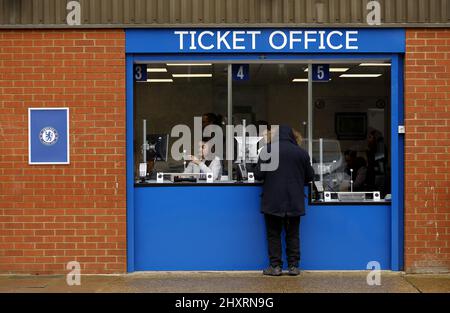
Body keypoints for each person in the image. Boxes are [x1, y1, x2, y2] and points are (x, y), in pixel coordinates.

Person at [255, 125, 314, 276]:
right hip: (294, 200)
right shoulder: (301, 153)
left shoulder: (267, 150)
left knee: (273, 234)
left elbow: (259, 175)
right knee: (293, 234)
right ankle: (294, 266)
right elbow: (310, 177)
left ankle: (275, 267)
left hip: (273, 200)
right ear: (292, 136)